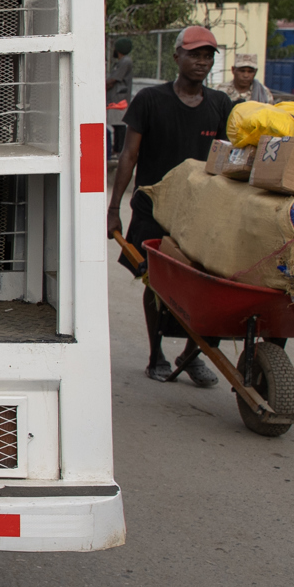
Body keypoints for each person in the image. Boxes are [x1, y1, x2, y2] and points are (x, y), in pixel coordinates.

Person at [107, 25, 232, 385]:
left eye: (207, 56)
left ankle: (192, 356)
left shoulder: (220, 104)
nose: (201, 62)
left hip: (200, 210)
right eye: (194, 54)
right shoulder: (150, 100)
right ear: (177, 56)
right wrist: (114, 209)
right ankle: (156, 353)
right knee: (156, 282)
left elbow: (225, 159)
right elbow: (129, 155)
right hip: (154, 206)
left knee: (208, 284)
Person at [106, 37, 135, 158]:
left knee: (119, 125)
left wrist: (102, 87)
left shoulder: (125, 62)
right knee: (115, 125)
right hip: (115, 99)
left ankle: (119, 150)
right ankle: (116, 149)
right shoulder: (121, 62)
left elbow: (114, 79)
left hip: (119, 100)